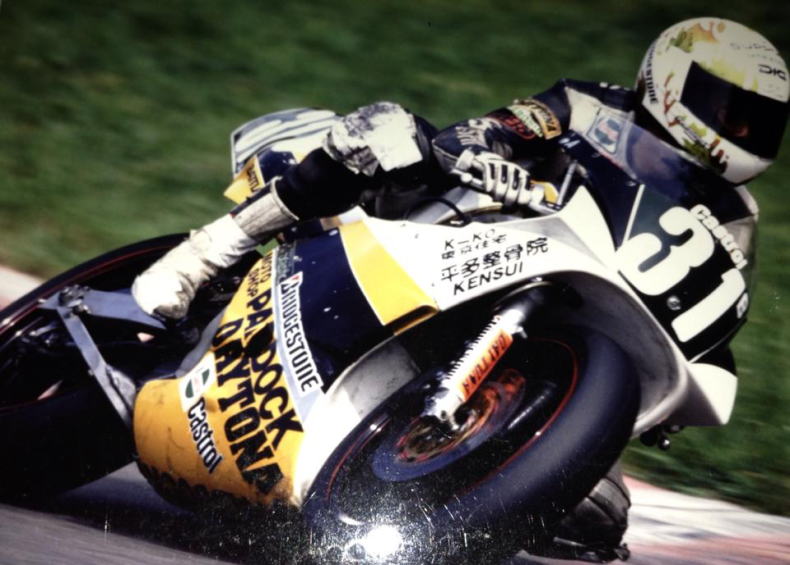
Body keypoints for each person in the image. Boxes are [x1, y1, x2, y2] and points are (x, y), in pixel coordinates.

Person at [132, 17, 788, 561]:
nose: (741, 132)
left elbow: (714, 296)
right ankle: (209, 250)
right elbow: (491, 129)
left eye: (759, 122)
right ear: (671, 81)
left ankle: (426, 498)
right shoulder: (591, 106)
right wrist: (485, 155)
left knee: (600, 517)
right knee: (383, 131)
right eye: (728, 110)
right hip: (465, 223)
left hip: (564, 302)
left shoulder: (735, 213)